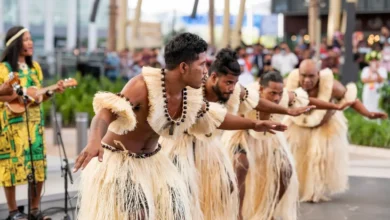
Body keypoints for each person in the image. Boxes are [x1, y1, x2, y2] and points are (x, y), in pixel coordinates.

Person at [73, 33, 287, 220]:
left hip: (153, 161)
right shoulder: (143, 86)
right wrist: (93, 142)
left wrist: (255, 123)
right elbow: (104, 113)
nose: (206, 71)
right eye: (202, 64)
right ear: (184, 67)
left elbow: (215, 117)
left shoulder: (190, 94)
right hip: (119, 161)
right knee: (139, 214)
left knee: (177, 209)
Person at [161, 49, 309, 220]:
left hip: (208, 144)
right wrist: (255, 123)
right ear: (214, 77)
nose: (232, 88)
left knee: (227, 186)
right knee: (183, 194)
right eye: (228, 82)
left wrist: (287, 111)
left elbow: (255, 102)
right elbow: (220, 119)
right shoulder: (193, 91)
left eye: (234, 83)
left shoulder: (233, 90)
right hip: (181, 145)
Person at [223, 71, 354, 220]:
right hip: (244, 134)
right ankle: (238, 215)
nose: (277, 98)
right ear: (261, 89)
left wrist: (335, 107)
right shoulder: (247, 96)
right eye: (272, 93)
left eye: (279, 93)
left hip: (270, 137)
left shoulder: (285, 96)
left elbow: (309, 101)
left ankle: (268, 211)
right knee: (240, 166)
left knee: (285, 170)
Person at [283, 59, 387, 203]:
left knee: (318, 159)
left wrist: (368, 114)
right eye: (303, 75)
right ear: (298, 74)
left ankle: (315, 191)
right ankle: (297, 188)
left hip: (325, 124)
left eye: (311, 76)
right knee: (297, 158)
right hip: (298, 125)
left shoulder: (333, 87)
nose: (307, 80)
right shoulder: (289, 84)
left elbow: (351, 100)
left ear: (318, 74)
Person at [0, 26, 65, 220]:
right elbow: (4, 95)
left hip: (34, 124)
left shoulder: (35, 67)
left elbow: (37, 98)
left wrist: (50, 92)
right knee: (11, 167)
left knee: (37, 165)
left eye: (30, 39)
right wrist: (22, 94)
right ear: (15, 44)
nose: (30, 42)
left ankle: (35, 210)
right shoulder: (3, 69)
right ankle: (13, 212)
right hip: (11, 124)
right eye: (26, 39)